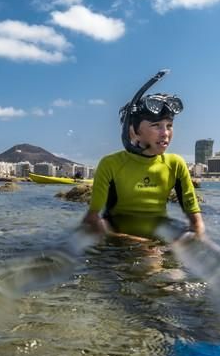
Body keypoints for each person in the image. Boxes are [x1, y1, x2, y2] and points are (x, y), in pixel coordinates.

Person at [82, 73, 205, 241]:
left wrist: (197, 242)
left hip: (157, 240)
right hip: (117, 242)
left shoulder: (176, 164)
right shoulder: (111, 164)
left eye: (169, 126)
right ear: (133, 131)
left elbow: (196, 223)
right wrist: (138, 243)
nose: (165, 134)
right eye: (156, 126)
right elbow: (92, 221)